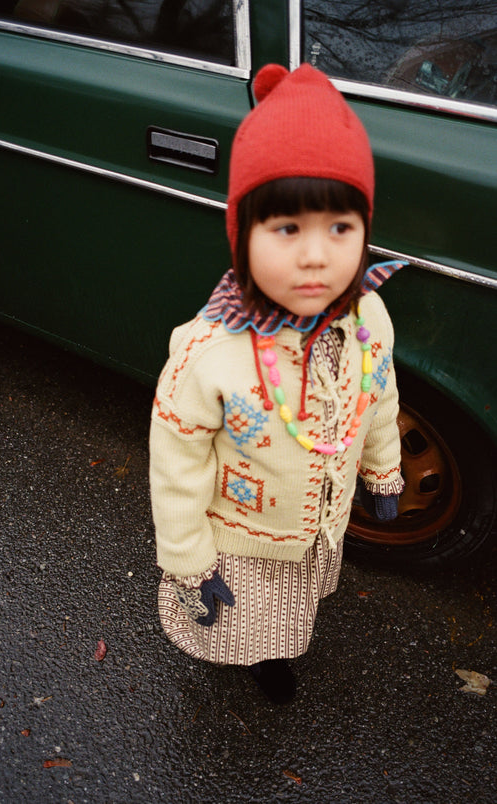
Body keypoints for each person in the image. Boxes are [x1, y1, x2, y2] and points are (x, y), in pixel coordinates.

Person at [149, 63, 405, 704]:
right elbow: (175, 462)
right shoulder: (211, 351)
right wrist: (188, 557)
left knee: (295, 609)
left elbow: (379, 398)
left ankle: (276, 652)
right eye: (287, 228)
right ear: (243, 236)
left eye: (339, 228)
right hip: (239, 539)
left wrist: (383, 470)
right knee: (239, 617)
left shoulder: (367, 316)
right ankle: (251, 661)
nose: (315, 255)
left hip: (318, 521)